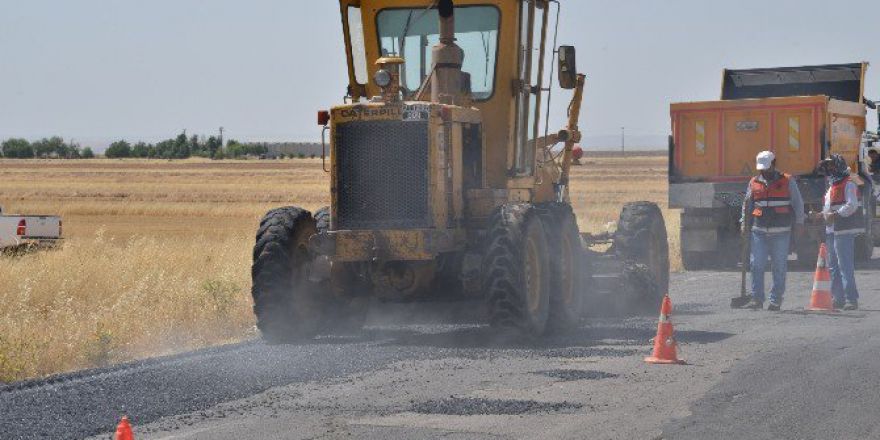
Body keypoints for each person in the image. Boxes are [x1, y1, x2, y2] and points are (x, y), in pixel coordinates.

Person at [740, 151, 805, 311]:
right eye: (761, 168)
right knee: (756, 264)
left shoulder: (788, 181)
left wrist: (799, 223)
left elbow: (798, 204)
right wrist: (743, 223)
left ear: (774, 164)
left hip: (781, 233)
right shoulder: (753, 182)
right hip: (759, 231)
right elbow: (747, 205)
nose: (763, 171)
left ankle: (775, 300)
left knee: (779, 266)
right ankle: (757, 298)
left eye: (766, 168)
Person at [819, 154, 863, 310]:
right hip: (831, 230)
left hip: (843, 230)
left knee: (845, 266)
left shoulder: (848, 183)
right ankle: (838, 299)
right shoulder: (832, 185)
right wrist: (821, 215)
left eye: (831, 165)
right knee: (833, 267)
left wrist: (835, 215)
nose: (829, 168)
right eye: (828, 166)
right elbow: (829, 208)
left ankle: (851, 299)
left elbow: (852, 205)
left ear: (838, 165)